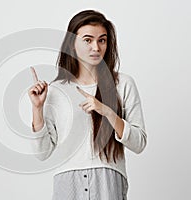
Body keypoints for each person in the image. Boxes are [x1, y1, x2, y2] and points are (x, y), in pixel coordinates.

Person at [28, 9, 147, 200]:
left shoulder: (123, 84)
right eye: (87, 40)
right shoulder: (56, 90)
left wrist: (108, 112)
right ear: (72, 44)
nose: (96, 47)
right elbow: (42, 153)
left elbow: (139, 143)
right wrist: (37, 109)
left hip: (108, 181)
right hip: (67, 184)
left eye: (102, 40)